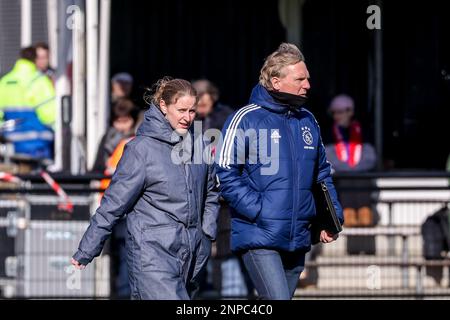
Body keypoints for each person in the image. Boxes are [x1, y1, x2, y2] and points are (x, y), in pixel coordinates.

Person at [215, 43, 343, 300]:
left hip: (297, 237)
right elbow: (225, 174)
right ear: (276, 81)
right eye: (300, 79)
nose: (307, 84)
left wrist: (330, 219)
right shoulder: (245, 118)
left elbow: (322, 175)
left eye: (308, 78)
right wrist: (261, 211)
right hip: (259, 235)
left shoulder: (308, 119)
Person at [72, 77, 220, 300]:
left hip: (193, 255)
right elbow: (113, 204)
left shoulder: (200, 144)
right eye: (181, 110)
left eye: (191, 111)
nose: (187, 118)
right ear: (163, 106)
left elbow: (211, 191)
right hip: (152, 255)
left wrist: (207, 232)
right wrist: (87, 249)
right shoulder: (140, 150)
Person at [91, 97, 140, 299]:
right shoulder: (111, 140)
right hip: (111, 202)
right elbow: (97, 168)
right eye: (118, 121)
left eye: (125, 121)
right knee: (117, 253)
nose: (121, 125)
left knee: (126, 253)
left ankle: (123, 291)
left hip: (126, 205)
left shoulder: (136, 141)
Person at [324, 94, 378, 255]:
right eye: (334, 113)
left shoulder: (364, 131)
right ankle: (352, 243)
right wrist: (350, 169)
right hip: (342, 180)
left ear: (350, 112)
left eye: (340, 112)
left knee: (361, 187)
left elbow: (371, 158)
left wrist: (349, 169)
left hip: (360, 180)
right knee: (347, 186)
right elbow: (328, 158)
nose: (337, 116)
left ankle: (367, 241)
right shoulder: (328, 133)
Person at [0, 46, 55, 160]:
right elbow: (50, 116)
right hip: (38, 147)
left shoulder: (4, 81)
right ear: (35, 59)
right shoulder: (38, 80)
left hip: (11, 147)